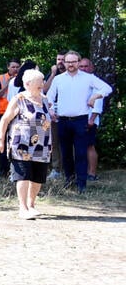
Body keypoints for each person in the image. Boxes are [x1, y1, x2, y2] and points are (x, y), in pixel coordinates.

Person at [46, 51, 111, 193]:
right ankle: (69, 181)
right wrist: (51, 110)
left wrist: (95, 96)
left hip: (81, 120)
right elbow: (49, 97)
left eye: (73, 62)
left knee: (81, 153)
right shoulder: (59, 79)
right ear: (64, 63)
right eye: (68, 62)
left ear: (78, 62)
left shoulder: (88, 78)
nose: (70, 64)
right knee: (66, 153)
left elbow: (107, 88)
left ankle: (82, 184)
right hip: (63, 120)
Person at [0, 69, 52, 219]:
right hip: (22, 144)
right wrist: (0, 139)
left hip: (42, 144)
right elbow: (5, 120)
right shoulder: (18, 99)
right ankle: (23, 208)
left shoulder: (45, 99)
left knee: (38, 177)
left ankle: (31, 205)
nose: (43, 84)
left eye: (42, 81)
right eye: (39, 82)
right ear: (27, 84)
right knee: (23, 175)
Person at [0, 59, 22, 177]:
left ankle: (15, 170)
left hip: (18, 114)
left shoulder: (24, 78)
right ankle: (3, 170)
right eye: (13, 67)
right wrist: (8, 84)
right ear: (8, 67)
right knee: (4, 143)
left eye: (17, 67)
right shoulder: (1, 78)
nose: (15, 69)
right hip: (4, 113)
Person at [78, 57, 103, 180]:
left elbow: (98, 104)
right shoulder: (79, 81)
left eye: (86, 66)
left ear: (91, 67)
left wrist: (91, 120)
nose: (83, 68)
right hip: (78, 119)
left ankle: (92, 173)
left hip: (89, 120)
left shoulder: (95, 82)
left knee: (89, 146)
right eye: (81, 66)